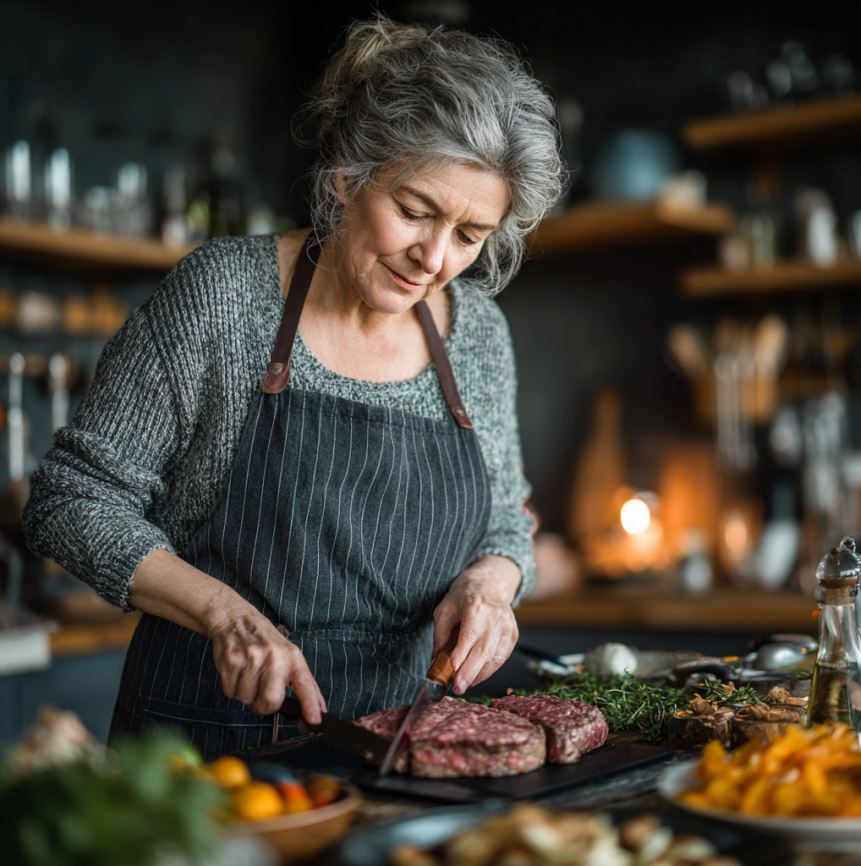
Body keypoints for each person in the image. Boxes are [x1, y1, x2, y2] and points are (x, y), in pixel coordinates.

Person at [22, 15, 566, 759]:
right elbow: (70, 500)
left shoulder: (476, 334)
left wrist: (493, 585)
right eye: (414, 211)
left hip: (401, 751)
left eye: (469, 236)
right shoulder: (224, 296)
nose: (434, 258)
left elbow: (506, 521)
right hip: (205, 751)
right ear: (346, 172)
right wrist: (223, 615)